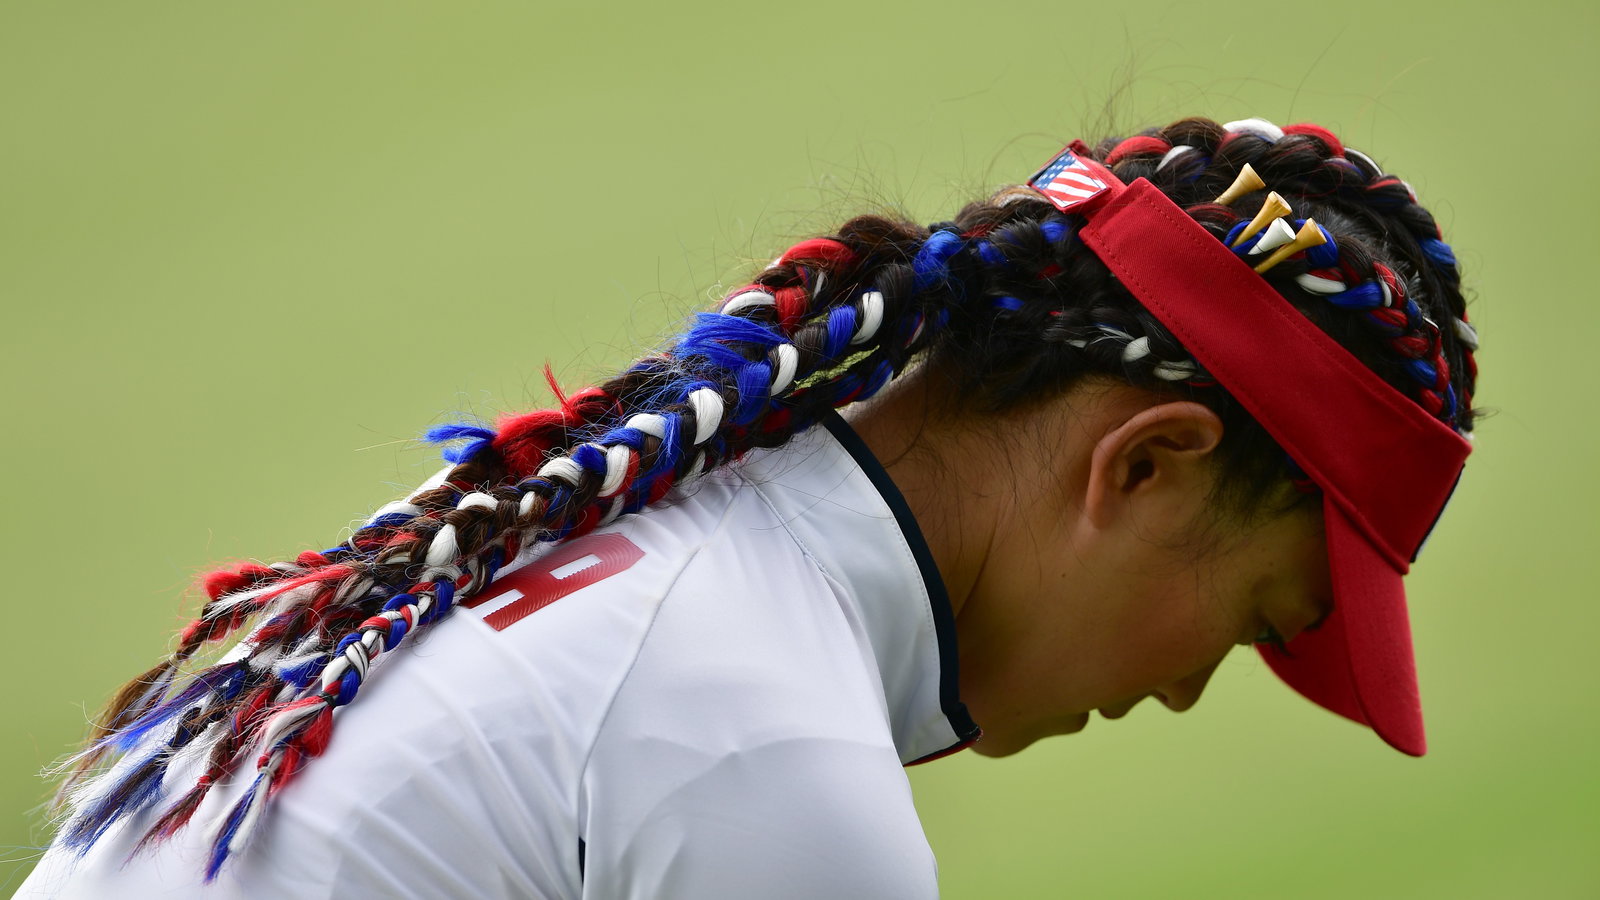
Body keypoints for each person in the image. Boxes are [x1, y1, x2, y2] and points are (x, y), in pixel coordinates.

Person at [15, 114, 1480, 899]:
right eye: (1250, 621)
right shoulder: (767, 748)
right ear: (1145, 463)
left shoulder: (645, 544)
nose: (1185, 691)